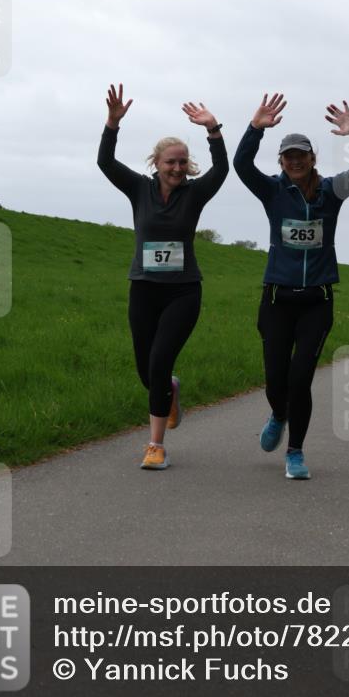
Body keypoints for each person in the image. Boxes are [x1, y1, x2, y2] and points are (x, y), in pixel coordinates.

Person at [233, 94, 349, 480]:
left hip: (317, 301)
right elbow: (240, 165)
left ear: (313, 158)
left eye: (302, 155)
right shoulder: (272, 192)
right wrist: (255, 129)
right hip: (277, 299)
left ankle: (295, 452)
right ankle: (278, 413)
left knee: (301, 380)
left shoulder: (332, 192)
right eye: (288, 156)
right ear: (281, 161)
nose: (295, 161)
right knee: (275, 380)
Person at [98, 83, 228, 469]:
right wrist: (112, 124)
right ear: (156, 162)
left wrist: (213, 129)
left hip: (183, 291)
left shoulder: (196, 194)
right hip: (144, 288)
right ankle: (168, 389)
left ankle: (155, 446)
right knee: (146, 369)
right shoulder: (139, 189)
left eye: (182, 162)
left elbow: (221, 169)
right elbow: (106, 163)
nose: (176, 167)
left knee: (158, 361)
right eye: (170, 161)